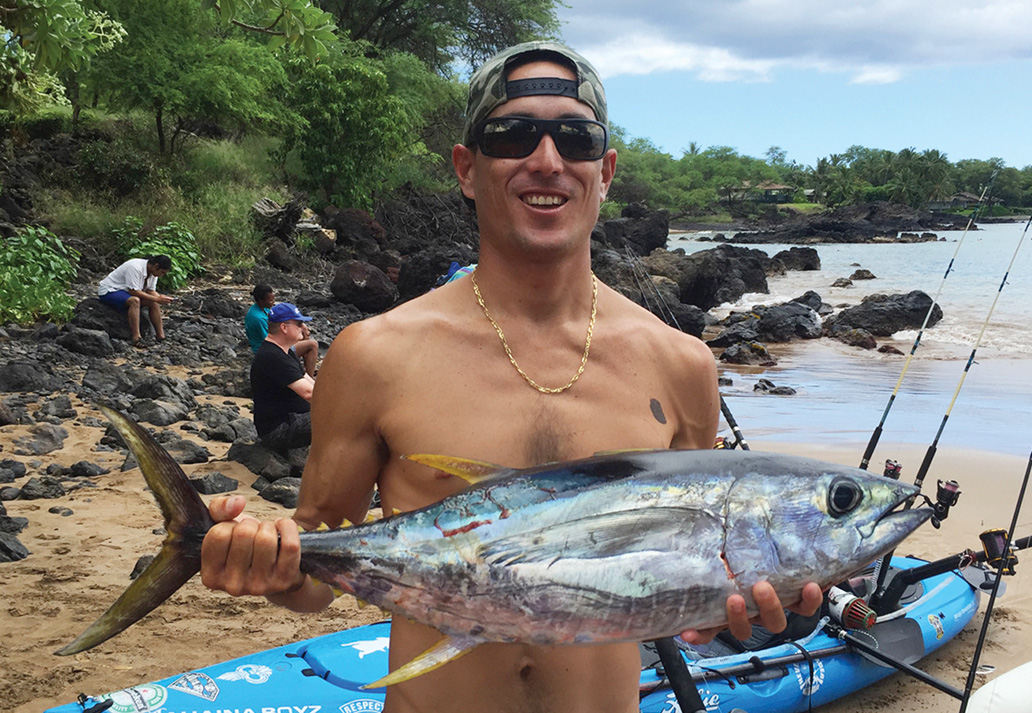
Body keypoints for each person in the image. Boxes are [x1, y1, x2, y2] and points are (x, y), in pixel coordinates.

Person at [201, 42, 822, 713]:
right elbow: (320, 566)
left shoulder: (682, 364)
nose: (548, 160)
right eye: (515, 135)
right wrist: (268, 561)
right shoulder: (375, 355)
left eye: (576, 138)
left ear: (605, 170)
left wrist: (740, 604)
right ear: (468, 168)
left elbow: (687, 583)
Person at [249, 302, 316, 451]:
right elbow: (309, 393)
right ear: (284, 328)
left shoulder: (284, 352)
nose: (303, 328)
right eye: (299, 324)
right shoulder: (273, 356)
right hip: (278, 430)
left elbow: (309, 382)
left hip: (291, 420)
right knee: (339, 418)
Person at [97, 254, 174, 348]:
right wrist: (157, 298)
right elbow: (133, 291)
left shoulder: (153, 273)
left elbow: (150, 290)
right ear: (156, 266)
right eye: (162, 272)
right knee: (135, 301)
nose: (162, 275)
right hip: (110, 291)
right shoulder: (135, 267)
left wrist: (162, 299)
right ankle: (136, 337)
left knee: (153, 302)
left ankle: (160, 335)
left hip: (125, 293)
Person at [246, 284, 319, 375]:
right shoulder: (258, 318)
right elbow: (270, 341)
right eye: (270, 300)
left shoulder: (262, 308)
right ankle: (309, 376)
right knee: (313, 344)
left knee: (303, 329)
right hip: (268, 353)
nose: (273, 302)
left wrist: (300, 325)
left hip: (273, 345)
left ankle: (306, 366)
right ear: (261, 301)